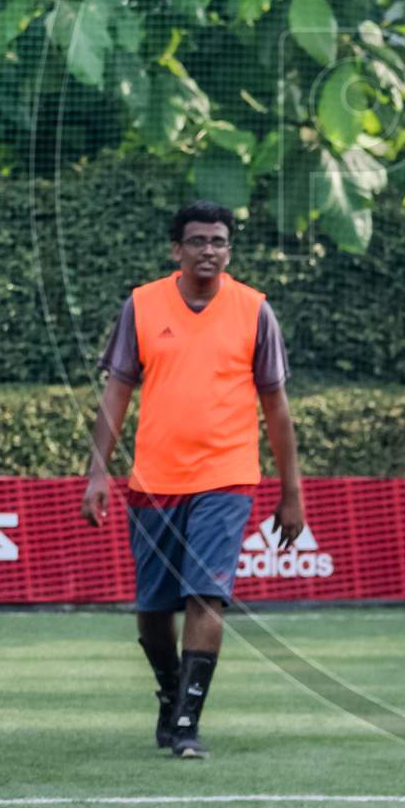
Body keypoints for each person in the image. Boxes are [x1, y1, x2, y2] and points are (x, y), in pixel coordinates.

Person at [81, 201, 304, 759]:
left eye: (220, 242)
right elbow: (117, 392)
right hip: (154, 481)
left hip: (227, 477)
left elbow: (277, 408)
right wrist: (97, 472)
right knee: (154, 610)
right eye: (199, 241)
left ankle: (186, 724)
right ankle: (168, 688)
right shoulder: (142, 304)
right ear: (175, 249)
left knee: (206, 595)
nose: (210, 250)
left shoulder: (255, 311)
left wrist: (291, 491)